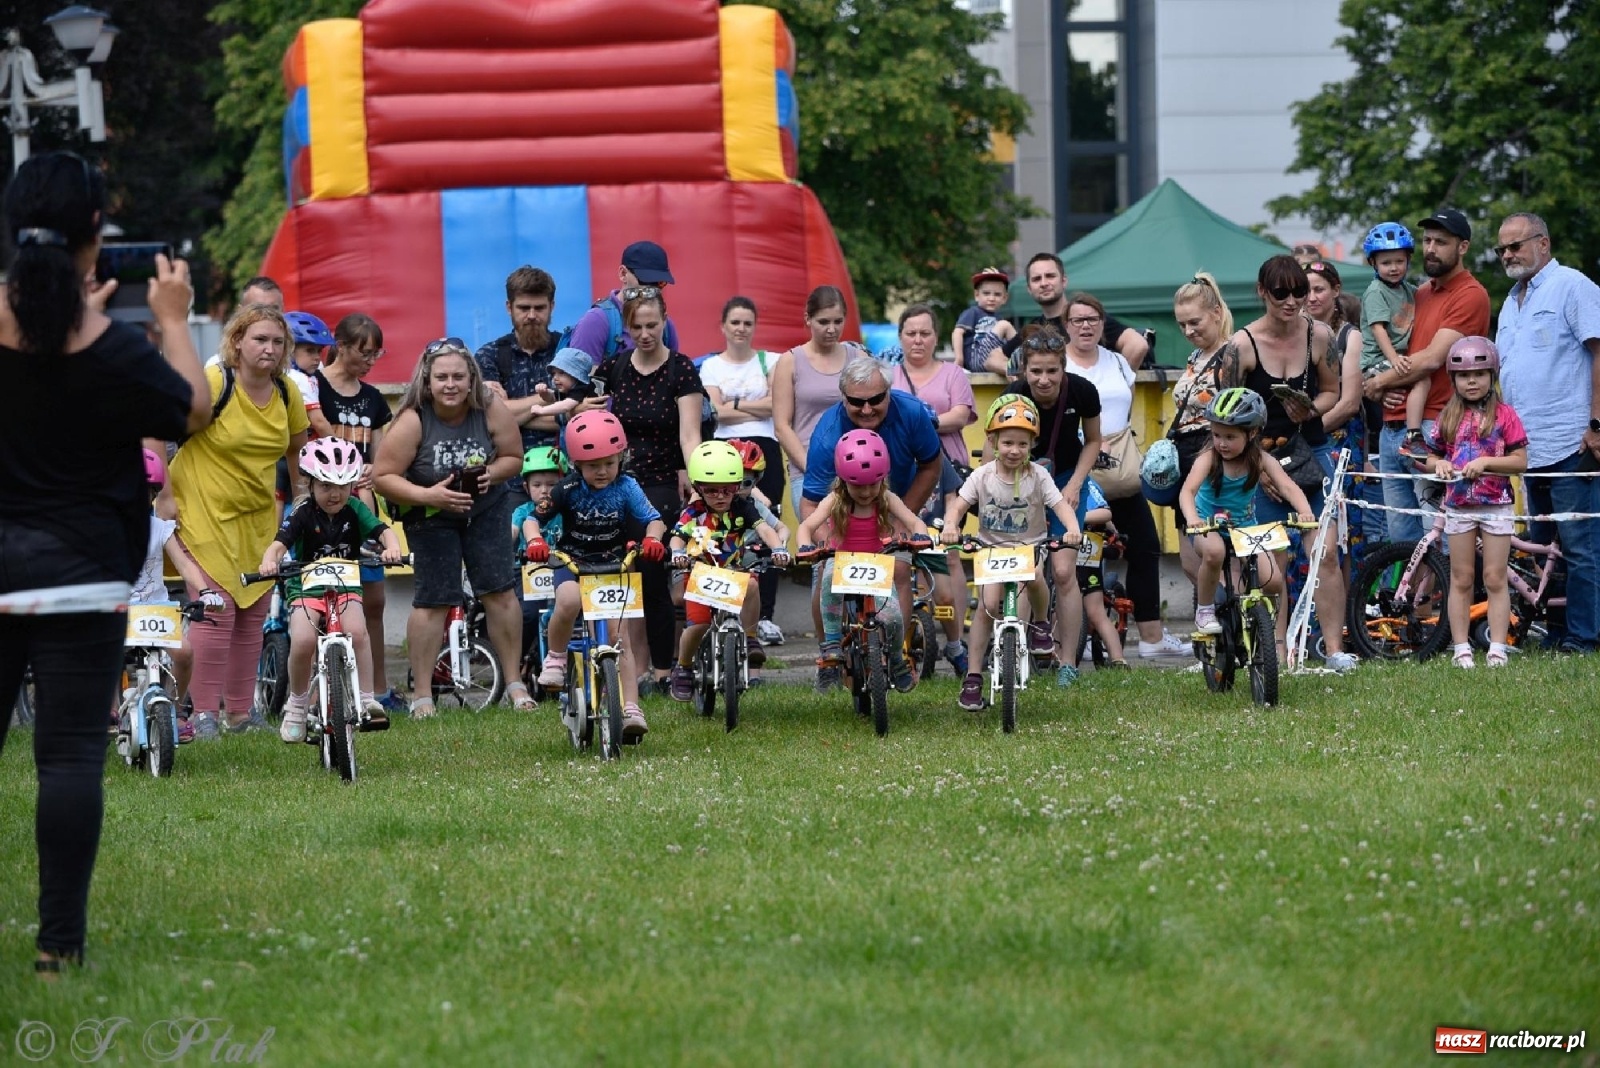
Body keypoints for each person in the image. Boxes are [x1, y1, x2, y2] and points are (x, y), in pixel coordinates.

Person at [0, 151, 207, 978]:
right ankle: (59, 948)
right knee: (69, 758)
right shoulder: (111, 347)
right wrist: (171, 316)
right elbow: (192, 410)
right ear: (96, 238)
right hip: (84, 573)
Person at [372, 337, 530, 716]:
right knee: (433, 600)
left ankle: (514, 684)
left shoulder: (490, 408)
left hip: (486, 510)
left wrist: (490, 475)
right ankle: (423, 696)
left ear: (471, 378)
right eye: (442, 377)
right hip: (430, 516)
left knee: (500, 593)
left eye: (459, 376)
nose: (451, 385)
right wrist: (431, 496)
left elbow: (514, 457)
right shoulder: (413, 419)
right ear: (427, 381)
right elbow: (382, 476)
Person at [172, 303, 310, 737]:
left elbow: (298, 448)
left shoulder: (287, 392)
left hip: (255, 515)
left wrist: (303, 496)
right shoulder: (216, 383)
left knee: (251, 611)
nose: (269, 349)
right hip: (201, 508)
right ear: (237, 343)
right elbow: (159, 423)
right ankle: (202, 715)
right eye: (259, 340)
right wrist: (161, 494)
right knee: (216, 607)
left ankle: (239, 715)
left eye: (277, 342)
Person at [1226, 256, 1355, 671]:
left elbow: (1332, 392)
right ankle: (1276, 651)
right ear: (1263, 291)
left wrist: (1309, 409)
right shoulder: (1240, 346)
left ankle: (1333, 649)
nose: (1292, 300)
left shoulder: (1320, 335)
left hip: (1310, 454)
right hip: (1257, 459)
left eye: (1300, 292)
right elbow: (1226, 416)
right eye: (1281, 292)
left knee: (1326, 553)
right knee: (1271, 564)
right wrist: (1258, 465)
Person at [1063, 293, 1191, 661]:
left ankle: (1151, 636)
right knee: (1082, 554)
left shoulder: (1119, 362)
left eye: (1093, 319)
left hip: (1121, 468)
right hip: (1078, 471)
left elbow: (1126, 408)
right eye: (1078, 320)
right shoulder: (1060, 365)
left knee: (1146, 546)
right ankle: (1081, 637)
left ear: (1103, 324)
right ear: (1067, 326)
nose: (1086, 326)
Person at [1493, 211, 1600, 652]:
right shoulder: (1509, 301)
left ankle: (1585, 638)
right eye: (1502, 248)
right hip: (1527, 449)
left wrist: (1597, 423)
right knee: (1545, 550)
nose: (1508, 254)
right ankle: (1557, 633)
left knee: (1580, 548)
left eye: (1516, 245)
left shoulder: (1573, 286)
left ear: (1544, 244)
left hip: (1572, 440)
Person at [525, 410, 666, 737]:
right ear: (577, 465)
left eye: (609, 462)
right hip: (571, 561)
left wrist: (653, 539)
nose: (601, 471)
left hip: (613, 563)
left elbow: (653, 518)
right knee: (569, 599)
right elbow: (534, 518)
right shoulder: (568, 488)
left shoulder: (627, 486)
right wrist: (534, 539)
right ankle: (557, 659)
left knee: (620, 638)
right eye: (592, 465)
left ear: (622, 457)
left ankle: (631, 708)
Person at [591, 288, 703, 690]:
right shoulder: (614, 368)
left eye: (652, 325)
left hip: (658, 480)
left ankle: (660, 667)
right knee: (618, 575)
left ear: (665, 320)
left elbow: (689, 434)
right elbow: (591, 418)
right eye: (636, 326)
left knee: (652, 573)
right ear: (626, 327)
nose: (644, 333)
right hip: (615, 480)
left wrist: (698, 481)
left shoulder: (681, 369)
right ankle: (623, 665)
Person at [941, 397, 1083, 710]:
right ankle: (974, 676)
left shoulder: (1038, 476)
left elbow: (1059, 504)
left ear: (1033, 444)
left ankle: (1043, 623)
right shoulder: (983, 476)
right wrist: (951, 525)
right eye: (1007, 443)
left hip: (1029, 548)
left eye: (1022, 443)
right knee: (987, 606)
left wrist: (1072, 529)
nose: (1014, 450)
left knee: (1034, 574)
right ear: (992, 441)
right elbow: (959, 505)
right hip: (991, 551)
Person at [260, 440, 404, 741]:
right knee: (301, 639)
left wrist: (392, 547)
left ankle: (367, 700)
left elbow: (383, 530)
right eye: (325, 485)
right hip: (306, 587)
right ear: (310, 485)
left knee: (358, 632)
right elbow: (278, 544)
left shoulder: (354, 509)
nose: (334, 493)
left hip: (345, 585)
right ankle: (297, 705)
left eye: (342, 485)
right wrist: (268, 561)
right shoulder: (302, 513)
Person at [1362, 209, 1490, 545]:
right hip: (1392, 430)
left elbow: (1433, 359)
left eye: (1441, 242)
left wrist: (1377, 383)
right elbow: (1391, 348)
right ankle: (1416, 602)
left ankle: (1448, 601)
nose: (1431, 248)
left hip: (1435, 429)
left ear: (1463, 247)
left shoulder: (1470, 293)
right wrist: (1378, 391)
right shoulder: (1418, 293)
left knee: (1440, 543)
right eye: (1427, 240)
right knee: (1401, 542)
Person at [993, 326, 1100, 684]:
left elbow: (1094, 441)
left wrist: (1074, 484)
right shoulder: (1014, 395)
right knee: (1025, 568)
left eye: (1052, 370)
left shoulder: (1082, 392)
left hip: (1068, 479)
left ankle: (1068, 661)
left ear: (1063, 367)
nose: (1043, 379)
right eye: (1035, 371)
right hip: (1024, 483)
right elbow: (995, 447)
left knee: (1065, 571)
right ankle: (1017, 651)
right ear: (1024, 369)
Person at [1416, 338, 1528, 668]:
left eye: (1480, 374)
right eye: (1464, 376)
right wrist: (1438, 464)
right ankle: (1461, 646)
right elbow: (1429, 454)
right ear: (1453, 380)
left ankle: (1497, 647)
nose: (1472, 381)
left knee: (1494, 577)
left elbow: (1520, 460)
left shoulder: (1506, 415)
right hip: (1458, 506)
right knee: (1461, 578)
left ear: (1492, 375)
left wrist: (1487, 463)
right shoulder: (1447, 417)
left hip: (1496, 505)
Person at [796, 430, 926, 694]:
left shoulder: (887, 498)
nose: (866, 492)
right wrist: (805, 545)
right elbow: (807, 526)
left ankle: (897, 660)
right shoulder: (836, 500)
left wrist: (920, 534)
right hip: (842, 562)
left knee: (893, 617)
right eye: (857, 485)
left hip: (877, 565)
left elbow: (913, 521)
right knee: (828, 576)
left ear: (882, 479)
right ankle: (832, 645)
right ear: (843, 481)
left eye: (872, 484)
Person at [1181, 388, 1318, 636]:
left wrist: (1305, 512)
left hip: (1244, 528)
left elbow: (1288, 486)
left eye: (1230, 437)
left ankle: (1256, 624)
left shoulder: (1261, 459)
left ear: (1252, 432)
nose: (1221, 443)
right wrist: (1193, 519)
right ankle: (1204, 610)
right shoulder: (1208, 459)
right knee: (1214, 552)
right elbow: (1187, 492)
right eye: (1216, 435)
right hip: (1208, 526)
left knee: (1273, 581)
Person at [665, 441, 792, 700]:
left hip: (733, 569)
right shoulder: (694, 512)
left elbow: (766, 530)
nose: (720, 496)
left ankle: (751, 636)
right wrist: (678, 554)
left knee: (754, 585)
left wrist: (778, 549)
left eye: (728, 489)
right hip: (700, 572)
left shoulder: (743, 508)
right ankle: (684, 667)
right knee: (697, 625)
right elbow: (677, 537)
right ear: (699, 488)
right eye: (711, 491)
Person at [889, 302, 977, 676]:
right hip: (900, 476)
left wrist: (923, 423)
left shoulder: (953, 372)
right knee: (906, 562)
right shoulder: (889, 375)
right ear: (901, 337)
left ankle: (955, 637)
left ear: (935, 336)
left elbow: (961, 414)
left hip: (945, 472)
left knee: (949, 557)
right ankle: (907, 638)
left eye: (925, 332)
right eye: (911, 332)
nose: (918, 339)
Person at [316, 313, 398, 709]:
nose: (370, 361)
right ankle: (320, 692)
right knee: (319, 597)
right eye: (363, 352)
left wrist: (372, 472)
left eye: (376, 354)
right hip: (323, 502)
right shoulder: (314, 389)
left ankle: (378, 687)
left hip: (363, 502)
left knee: (374, 599)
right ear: (341, 345)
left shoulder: (373, 399)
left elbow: (380, 458)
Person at [701, 297, 786, 643]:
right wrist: (755, 407)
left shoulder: (772, 361)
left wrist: (734, 404)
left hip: (765, 449)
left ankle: (764, 615)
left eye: (747, 323)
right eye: (735, 322)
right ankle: (723, 608)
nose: (741, 329)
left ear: (755, 327)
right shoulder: (710, 367)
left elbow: (777, 405)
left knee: (763, 526)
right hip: (722, 452)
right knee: (722, 530)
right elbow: (716, 413)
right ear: (723, 326)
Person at [132, 450, 220, 721]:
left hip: (155, 610)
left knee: (184, 652)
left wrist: (205, 591)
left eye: (145, 493)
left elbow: (184, 565)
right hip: (118, 607)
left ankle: (175, 711)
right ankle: (110, 711)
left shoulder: (159, 528)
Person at [1303, 260, 1380, 560]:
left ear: (1336, 291)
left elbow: (1349, 403)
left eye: (1319, 289)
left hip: (1339, 441)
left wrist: (1307, 431)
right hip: (1302, 442)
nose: (1312, 297)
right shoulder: (1296, 334)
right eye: (1306, 290)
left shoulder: (1350, 336)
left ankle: (1347, 603)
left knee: (1344, 532)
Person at [1167, 274, 1237, 596]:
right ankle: (1219, 620)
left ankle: (1236, 621)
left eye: (1194, 322)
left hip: (1215, 455)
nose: (1188, 331)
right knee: (1189, 561)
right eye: (1182, 325)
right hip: (1184, 459)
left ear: (1217, 314)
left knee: (1217, 555)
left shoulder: (1233, 354)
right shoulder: (1196, 357)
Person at [772, 285, 857, 517]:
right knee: (820, 548)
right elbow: (781, 426)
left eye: (838, 321)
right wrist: (812, 468)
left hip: (857, 469)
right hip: (808, 472)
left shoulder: (857, 357)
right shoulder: (790, 361)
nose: (831, 329)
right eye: (823, 322)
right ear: (807, 318)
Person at [1001, 252, 1150, 371]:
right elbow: (994, 358)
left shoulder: (1089, 318)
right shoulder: (1033, 330)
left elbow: (1137, 345)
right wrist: (1013, 370)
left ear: (1064, 281)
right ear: (1029, 288)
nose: (1044, 283)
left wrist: (1117, 380)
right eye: (1036, 279)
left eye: (1050, 276)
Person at [475, 265, 562, 463]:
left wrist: (511, 413)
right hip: (508, 477)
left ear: (552, 306)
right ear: (509, 308)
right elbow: (489, 421)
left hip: (562, 474)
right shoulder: (489, 355)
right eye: (524, 308)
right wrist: (556, 398)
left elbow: (579, 415)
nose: (532, 315)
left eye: (539, 308)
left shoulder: (568, 350)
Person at [1357, 224, 1423, 443]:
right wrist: (1394, 360)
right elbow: (1378, 329)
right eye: (1386, 263)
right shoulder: (1376, 291)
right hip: (1378, 359)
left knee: (1402, 390)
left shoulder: (1407, 289)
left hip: (1392, 358)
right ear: (1373, 263)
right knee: (1421, 378)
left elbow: (1426, 295)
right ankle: (1414, 433)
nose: (1394, 268)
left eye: (1399, 261)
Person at [565, 241, 681, 364]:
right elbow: (580, 380)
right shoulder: (596, 322)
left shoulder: (666, 326)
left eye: (659, 283)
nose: (651, 290)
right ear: (623, 274)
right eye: (645, 281)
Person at [514, 445, 566, 662]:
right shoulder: (522, 511)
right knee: (525, 615)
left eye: (552, 484)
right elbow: (513, 531)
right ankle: (519, 659)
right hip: (527, 571)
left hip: (563, 568)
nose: (544, 490)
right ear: (526, 487)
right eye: (537, 485)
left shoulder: (566, 509)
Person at [953, 266, 1017, 376]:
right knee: (1005, 325)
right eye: (986, 293)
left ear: (1005, 298)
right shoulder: (973, 312)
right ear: (977, 295)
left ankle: (1017, 362)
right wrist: (959, 358)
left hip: (996, 359)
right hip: (977, 359)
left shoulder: (999, 317)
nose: (991, 298)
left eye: (997, 294)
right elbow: (957, 332)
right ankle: (1024, 355)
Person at [284, 311, 337, 441]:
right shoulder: (300, 379)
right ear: (289, 349)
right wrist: (341, 448)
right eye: (310, 351)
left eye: (319, 351)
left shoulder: (280, 374)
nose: (317, 357)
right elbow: (319, 422)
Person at [524, 347, 595, 426]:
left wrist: (542, 410)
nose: (555, 377)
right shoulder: (567, 389)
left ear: (575, 376)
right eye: (554, 373)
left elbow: (566, 406)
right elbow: (551, 398)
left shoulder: (580, 389)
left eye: (561, 373)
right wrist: (544, 392)